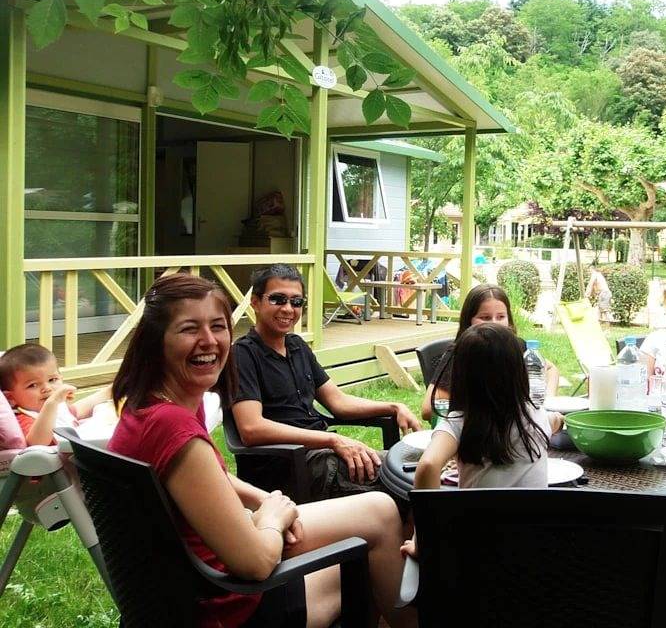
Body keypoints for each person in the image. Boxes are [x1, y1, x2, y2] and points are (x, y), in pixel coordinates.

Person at [107, 273, 415, 628]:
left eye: (218, 326)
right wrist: (271, 519)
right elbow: (255, 563)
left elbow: (212, 479)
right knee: (377, 525)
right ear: (155, 340)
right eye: (189, 329)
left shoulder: (149, 406)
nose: (208, 341)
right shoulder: (172, 425)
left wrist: (273, 504)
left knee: (379, 509)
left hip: (202, 575)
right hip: (235, 605)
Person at [232, 264, 421, 499]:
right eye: (278, 299)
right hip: (286, 469)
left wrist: (393, 406)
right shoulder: (243, 355)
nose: (288, 309)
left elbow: (338, 402)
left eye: (296, 301)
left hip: (321, 456)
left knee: (417, 467)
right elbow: (252, 429)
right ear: (256, 302)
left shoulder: (297, 346)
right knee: (408, 482)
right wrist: (332, 440)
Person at [402, 323, 564, 559]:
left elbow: (428, 465)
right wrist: (556, 421)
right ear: (519, 373)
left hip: (475, 552)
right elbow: (554, 420)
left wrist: (425, 539)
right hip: (533, 551)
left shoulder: (458, 423)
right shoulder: (536, 415)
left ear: (461, 376)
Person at [419, 283, 561, 421]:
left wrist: (547, 400)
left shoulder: (517, 347)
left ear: (509, 320)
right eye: (485, 317)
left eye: (501, 317)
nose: (494, 323)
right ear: (469, 321)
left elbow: (551, 369)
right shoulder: (460, 355)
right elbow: (427, 409)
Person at [0, 343, 111, 447]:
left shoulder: (59, 408)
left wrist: (109, 392)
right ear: (10, 398)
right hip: (60, 464)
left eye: (52, 380)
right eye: (33, 385)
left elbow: (77, 411)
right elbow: (37, 443)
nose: (47, 388)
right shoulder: (23, 418)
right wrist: (51, 403)